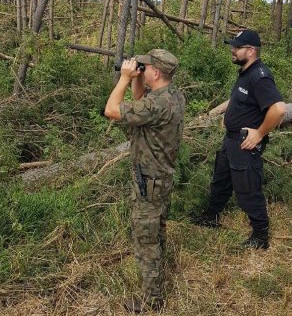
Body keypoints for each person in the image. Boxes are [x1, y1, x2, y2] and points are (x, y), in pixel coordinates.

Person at [105, 49, 185, 313]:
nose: (144, 68)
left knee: (146, 241)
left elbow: (112, 110)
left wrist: (124, 78)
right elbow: (140, 100)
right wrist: (138, 77)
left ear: (157, 72)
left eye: (147, 67)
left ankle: (152, 300)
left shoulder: (157, 104)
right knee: (156, 231)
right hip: (161, 178)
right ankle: (159, 277)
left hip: (149, 182)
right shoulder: (172, 95)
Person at [192, 30, 286, 249]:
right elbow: (237, 99)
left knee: (248, 189)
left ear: (251, 51)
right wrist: (216, 115)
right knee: (221, 181)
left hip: (245, 144)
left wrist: (260, 133)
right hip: (230, 140)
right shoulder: (246, 72)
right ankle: (211, 217)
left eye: (237, 47)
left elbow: (279, 109)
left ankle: (260, 236)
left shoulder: (260, 75)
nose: (232, 50)